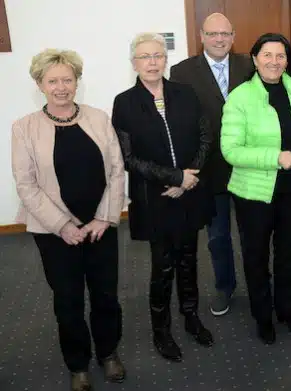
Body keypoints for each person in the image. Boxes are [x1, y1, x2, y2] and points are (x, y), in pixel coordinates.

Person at [11, 49, 126, 391]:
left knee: (106, 295)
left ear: (77, 81)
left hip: (100, 226)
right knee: (68, 299)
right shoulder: (24, 128)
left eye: (68, 79)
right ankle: (78, 364)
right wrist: (63, 225)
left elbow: (117, 170)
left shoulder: (98, 117)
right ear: (39, 85)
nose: (61, 87)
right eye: (52, 81)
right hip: (54, 233)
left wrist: (104, 218)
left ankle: (108, 353)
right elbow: (26, 185)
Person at [112, 33, 215, 362]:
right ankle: (162, 330)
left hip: (189, 193)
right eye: (145, 57)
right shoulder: (125, 103)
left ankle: (191, 316)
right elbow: (128, 158)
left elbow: (204, 135)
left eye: (157, 55)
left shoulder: (186, 93)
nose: (153, 62)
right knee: (163, 266)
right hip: (154, 198)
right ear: (134, 63)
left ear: (165, 59)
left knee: (189, 259)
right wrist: (174, 178)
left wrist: (189, 177)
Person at [220, 33, 291, 345]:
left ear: (287, 61)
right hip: (253, 193)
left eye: (280, 56)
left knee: (287, 253)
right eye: (267, 55)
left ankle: (286, 310)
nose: (274, 61)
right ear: (255, 59)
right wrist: (274, 157)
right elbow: (230, 150)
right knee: (256, 255)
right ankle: (263, 316)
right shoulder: (240, 98)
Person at [170, 13, 254, 316]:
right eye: (213, 34)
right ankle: (225, 286)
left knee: (252, 233)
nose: (220, 39)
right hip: (209, 169)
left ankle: (258, 286)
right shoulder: (181, 72)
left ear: (233, 36)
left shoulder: (249, 65)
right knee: (217, 237)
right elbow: (180, 121)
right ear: (201, 36)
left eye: (225, 34)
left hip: (248, 166)